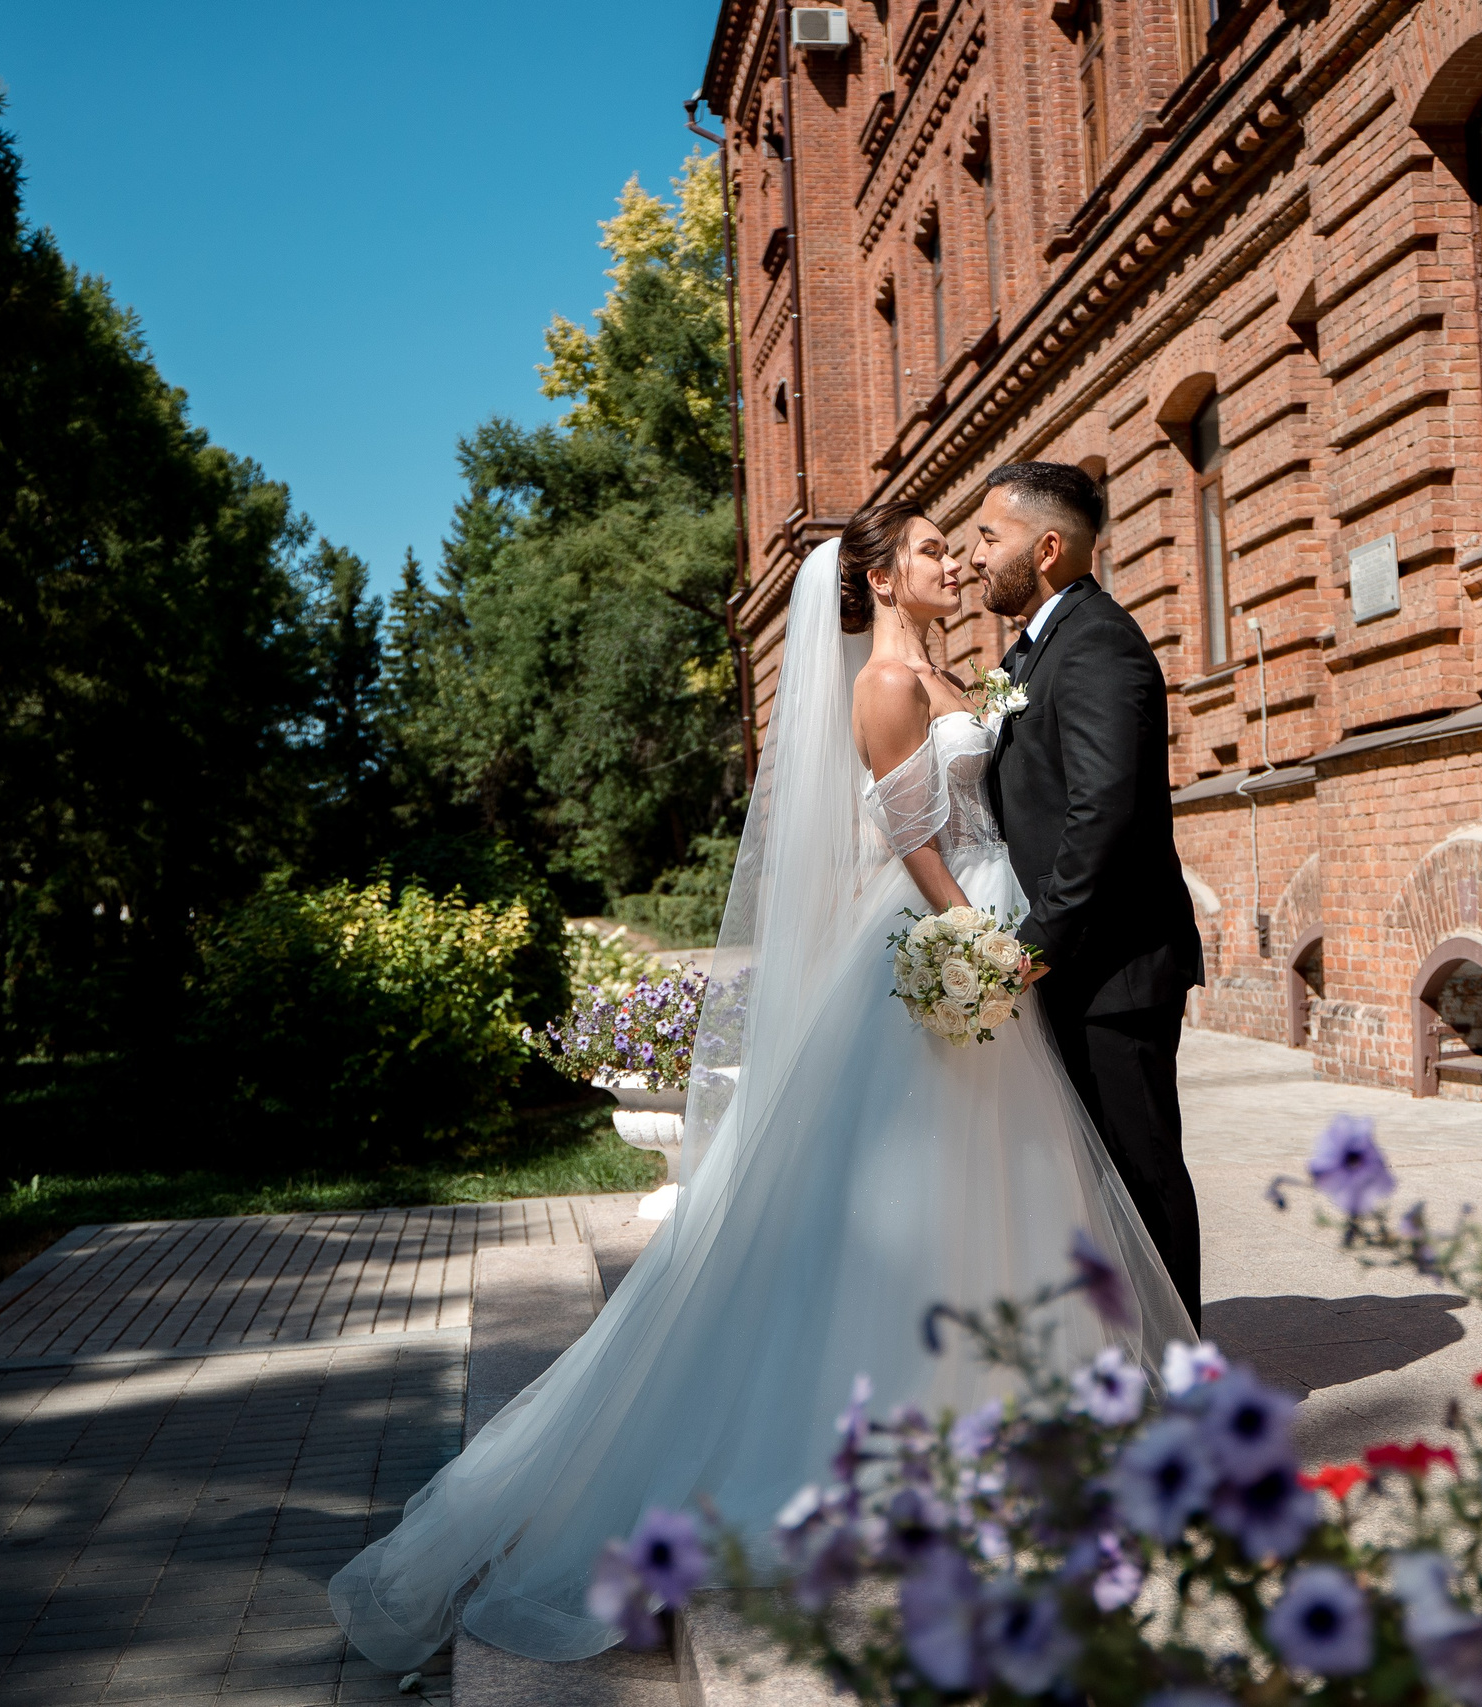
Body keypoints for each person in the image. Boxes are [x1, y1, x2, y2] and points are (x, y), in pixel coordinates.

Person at [328, 501, 1187, 1669]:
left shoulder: (960, 673)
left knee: (1004, 1174)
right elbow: (905, 831)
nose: (955, 562)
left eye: (959, 545)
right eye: (935, 550)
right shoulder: (884, 686)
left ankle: (1010, 1394)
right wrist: (976, 943)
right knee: (924, 1178)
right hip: (951, 930)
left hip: (996, 921)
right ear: (881, 580)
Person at [972, 461, 1205, 1331]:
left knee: (1142, 1172)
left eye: (990, 537)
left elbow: (1103, 811)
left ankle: (1181, 1370)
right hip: (1073, 963)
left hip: (1115, 967)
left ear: (1048, 546)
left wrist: (1036, 944)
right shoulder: (1029, 647)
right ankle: (1128, 1350)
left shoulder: (1101, 642)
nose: (976, 555)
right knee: (1092, 1177)